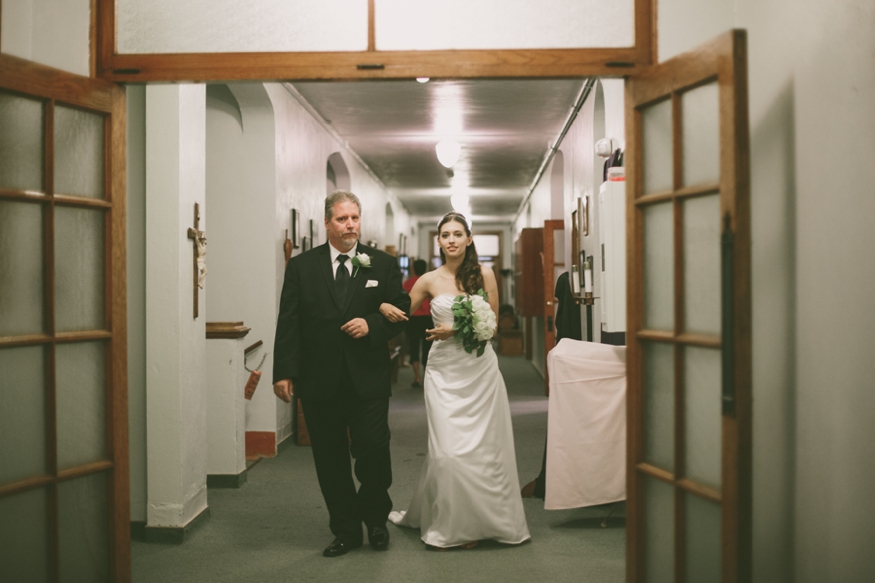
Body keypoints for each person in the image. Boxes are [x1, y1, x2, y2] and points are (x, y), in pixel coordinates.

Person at [379, 212, 531, 550]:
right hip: (443, 373)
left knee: (484, 449)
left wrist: (456, 329)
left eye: (457, 234)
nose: (451, 240)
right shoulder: (429, 280)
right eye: (445, 234)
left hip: (480, 372)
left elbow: (491, 325)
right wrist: (381, 305)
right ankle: (454, 524)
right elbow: (402, 313)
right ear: (438, 241)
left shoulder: (485, 274)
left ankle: (489, 522)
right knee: (448, 451)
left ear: (468, 239)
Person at [272, 190, 410, 558]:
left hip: (368, 379)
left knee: (374, 452)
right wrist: (284, 371)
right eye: (342, 219)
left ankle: (376, 520)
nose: (350, 225)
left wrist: (372, 324)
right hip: (320, 380)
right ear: (328, 223)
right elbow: (289, 322)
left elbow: (400, 310)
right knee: (330, 460)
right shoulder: (302, 267)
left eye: (354, 218)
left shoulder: (380, 264)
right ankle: (346, 530)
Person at [403, 259, 434, 388]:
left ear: (413, 269)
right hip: (428, 318)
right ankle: (426, 376)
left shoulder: (407, 283)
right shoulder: (430, 281)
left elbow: (404, 301)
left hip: (413, 319)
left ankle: (416, 377)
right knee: (428, 348)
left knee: (414, 347)